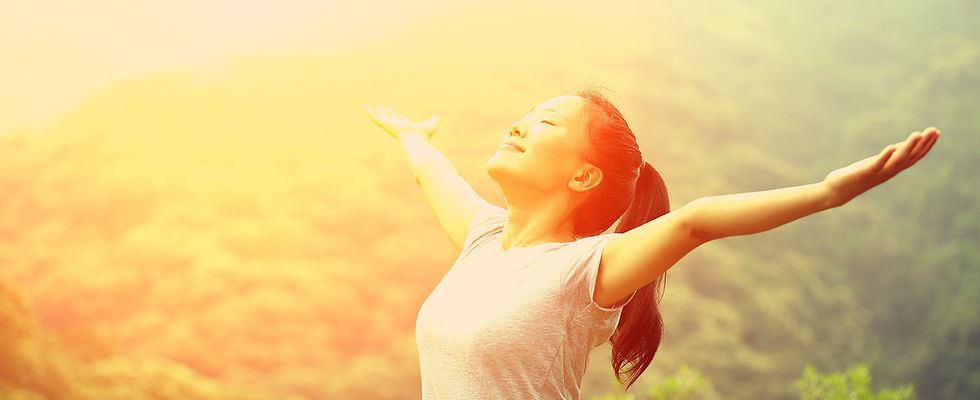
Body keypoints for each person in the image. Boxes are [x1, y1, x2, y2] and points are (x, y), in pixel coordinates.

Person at [363, 88, 939, 399]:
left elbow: (696, 222)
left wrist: (827, 192)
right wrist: (413, 137)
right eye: (525, 114)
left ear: (584, 177)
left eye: (546, 123)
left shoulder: (584, 271)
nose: (518, 125)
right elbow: (430, 172)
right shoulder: (483, 237)